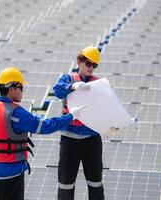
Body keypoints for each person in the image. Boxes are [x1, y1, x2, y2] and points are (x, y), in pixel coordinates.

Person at [0, 67, 85, 200]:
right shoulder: (16, 113)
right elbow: (44, 126)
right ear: (11, 88)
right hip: (12, 175)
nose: (23, 91)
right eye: (21, 87)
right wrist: (70, 116)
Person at [53, 46, 105, 200]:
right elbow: (57, 90)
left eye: (94, 65)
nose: (91, 68)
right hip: (70, 140)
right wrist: (73, 86)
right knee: (66, 183)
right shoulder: (67, 79)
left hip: (92, 140)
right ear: (79, 61)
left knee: (95, 182)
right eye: (88, 64)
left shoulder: (99, 84)